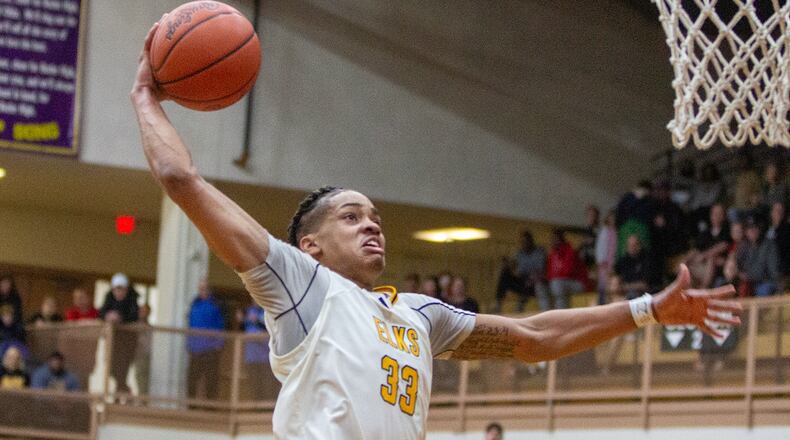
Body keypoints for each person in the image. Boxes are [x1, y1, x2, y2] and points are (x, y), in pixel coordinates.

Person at [131, 19, 741, 438]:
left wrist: (647, 310)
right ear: (309, 245)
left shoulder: (420, 315)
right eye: (352, 217)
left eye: (376, 218)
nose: (373, 227)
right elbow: (182, 177)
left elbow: (534, 337)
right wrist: (145, 97)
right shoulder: (300, 283)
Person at [99, 273, 139, 394]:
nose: (119, 292)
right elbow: (101, 313)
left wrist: (120, 318)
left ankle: (121, 392)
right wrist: (108, 316)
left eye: (122, 289)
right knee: (112, 369)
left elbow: (133, 316)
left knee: (122, 370)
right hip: (112, 343)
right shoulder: (108, 300)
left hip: (126, 343)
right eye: (117, 289)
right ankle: (122, 389)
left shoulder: (132, 301)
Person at [186, 278, 225, 400]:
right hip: (195, 349)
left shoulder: (216, 304)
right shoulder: (194, 303)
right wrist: (189, 343)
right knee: (192, 379)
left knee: (211, 379)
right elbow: (190, 323)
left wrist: (219, 344)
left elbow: (221, 324)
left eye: (205, 288)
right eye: (200, 288)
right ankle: (191, 406)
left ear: (209, 289)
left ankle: (211, 407)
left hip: (210, 349)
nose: (202, 291)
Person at [493, 230, 546, 313]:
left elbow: (540, 269)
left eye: (526, 241)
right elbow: (514, 265)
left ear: (531, 241)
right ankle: (498, 303)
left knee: (529, 281)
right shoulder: (519, 253)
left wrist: (531, 276)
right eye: (522, 242)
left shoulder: (539, 252)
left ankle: (520, 304)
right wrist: (507, 264)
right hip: (522, 280)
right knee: (505, 275)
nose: (524, 244)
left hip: (535, 281)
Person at [736, 218, 781, 297]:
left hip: (767, 281)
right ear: (746, 232)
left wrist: (746, 275)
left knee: (763, 290)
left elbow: (770, 272)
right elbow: (737, 265)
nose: (752, 231)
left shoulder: (769, 245)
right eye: (749, 228)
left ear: (760, 229)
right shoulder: (744, 246)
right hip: (749, 282)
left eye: (755, 228)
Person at [543, 229, 586, 311]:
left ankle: (561, 313)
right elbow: (549, 273)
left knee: (556, 283)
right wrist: (545, 278)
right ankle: (546, 314)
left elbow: (568, 272)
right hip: (560, 283)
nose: (552, 241)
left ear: (561, 240)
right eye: (552, 239)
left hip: (578, 283)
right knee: (541, 286)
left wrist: (552, 277)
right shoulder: (552, 254)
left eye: (555, 239)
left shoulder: (569, 251)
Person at [614, 235, 655, 300]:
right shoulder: (623, 261)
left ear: (640, 246)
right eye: (630, 245)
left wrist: (624, 287)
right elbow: (616, 279)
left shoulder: (647, 260)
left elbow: (644, 285)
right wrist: (616, 283)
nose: (632, 248)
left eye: (634, 245)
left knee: (632, 295)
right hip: (624, 294)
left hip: (642, 295)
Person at [595, 209, 617, 304]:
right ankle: (601, 304)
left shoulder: (615, 231)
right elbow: (601, 247)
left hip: (612, 263)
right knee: (603, 285)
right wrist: (602, 261)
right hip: (604, 264)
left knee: (610, 285)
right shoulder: (605, 231)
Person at [766, 202, 790, 276]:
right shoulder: (765, 229)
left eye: (781, 211)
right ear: (771, 213)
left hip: (779, 270)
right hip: (764, 266)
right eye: (776, 210)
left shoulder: (787, 230)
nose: (779, 213)